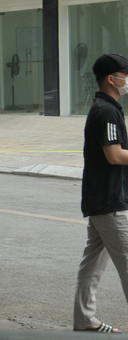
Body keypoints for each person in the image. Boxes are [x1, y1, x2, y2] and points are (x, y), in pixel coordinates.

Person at [73, 53, 128, 334]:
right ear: (112, 79)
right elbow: (115, 155)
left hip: (100, 199)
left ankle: (84, 319)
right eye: (125, 74)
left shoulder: (107, 108)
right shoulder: (106, 111)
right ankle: (84, 319)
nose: (127, 80)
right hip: (109, 202)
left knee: (92, 263)